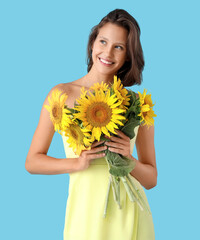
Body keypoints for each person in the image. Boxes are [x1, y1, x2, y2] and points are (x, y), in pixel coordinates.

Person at [25, 9, 157, 240]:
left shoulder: (138, 104)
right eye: (103, 41)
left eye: (119, 46)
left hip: (130, 211)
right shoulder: (61, 94)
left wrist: (129, 159)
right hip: (84, 212)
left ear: (128, 55)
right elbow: (32, 161)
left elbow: (151, 179)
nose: (107, 52)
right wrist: (77, 163)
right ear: (92, 43)